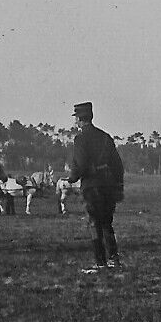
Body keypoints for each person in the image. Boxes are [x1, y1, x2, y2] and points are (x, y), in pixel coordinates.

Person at [64, 101, 126, 270]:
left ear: (79, 119)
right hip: (109, 186)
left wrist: (71, 178)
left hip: (92, 186)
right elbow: (118, 165)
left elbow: (81, 165)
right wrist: (118, 186)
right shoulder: (105, 137)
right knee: (107, 222)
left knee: (94, 223)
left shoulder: (81, 139)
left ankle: (100, 262)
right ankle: (114, 258)